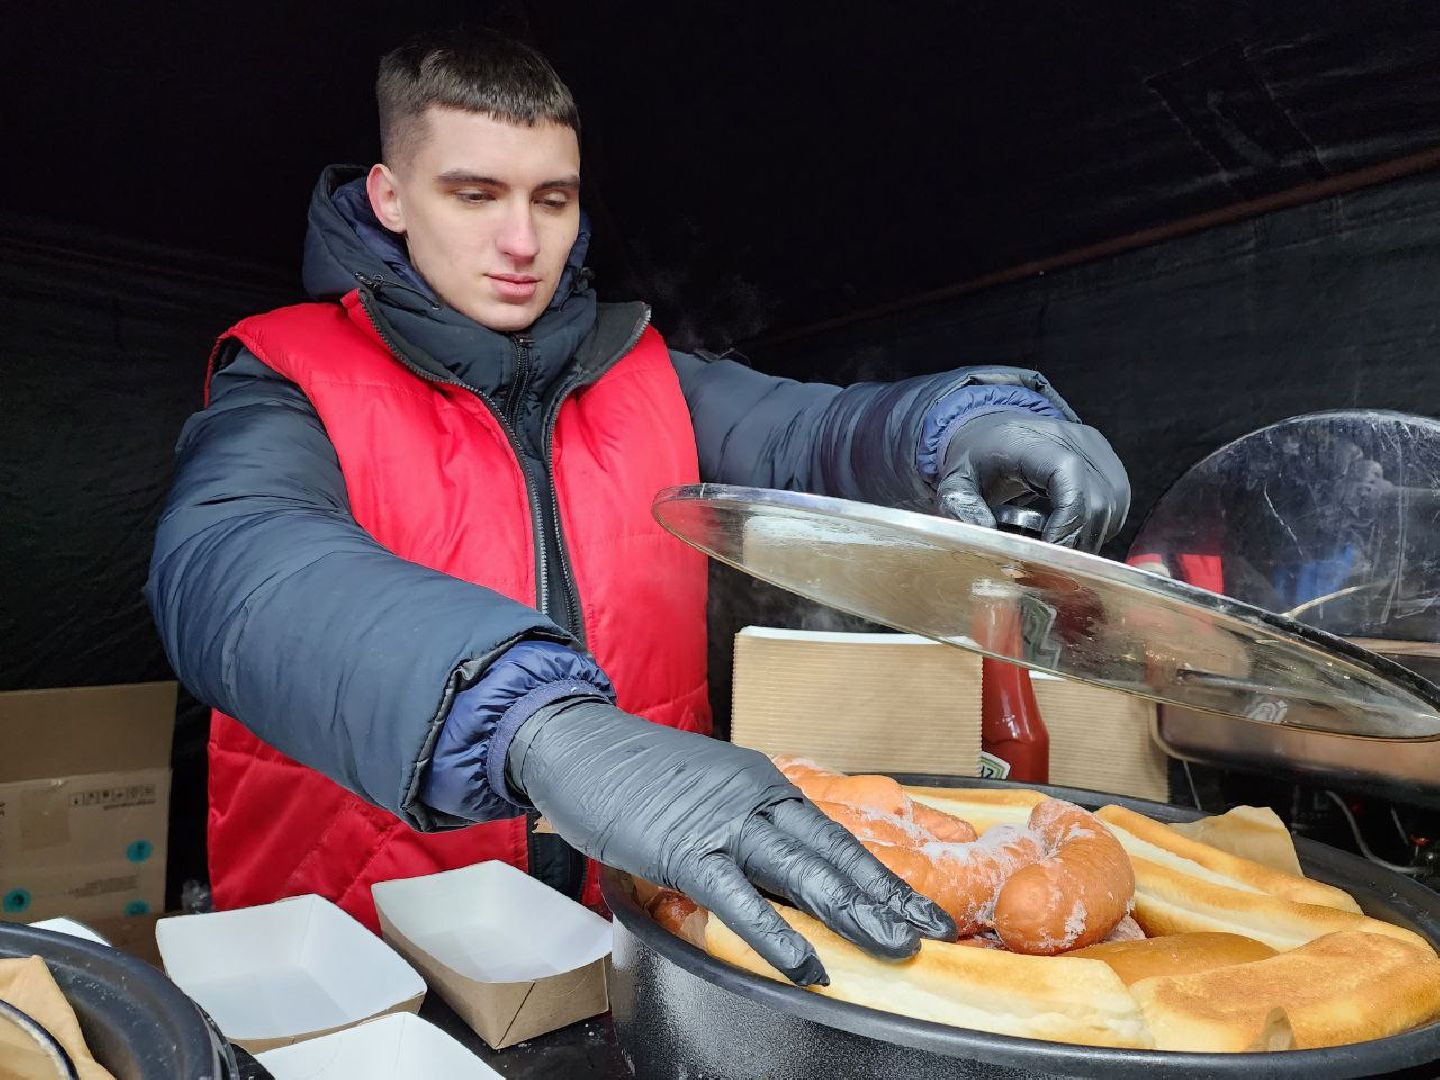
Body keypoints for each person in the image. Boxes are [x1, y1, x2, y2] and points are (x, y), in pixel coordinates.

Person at [146, 28, 1129, 986]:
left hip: (621, 936)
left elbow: (806, 434)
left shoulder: (647, 370)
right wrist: (533, 723)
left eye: (553, 199)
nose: (522, 242)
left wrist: (965, 425)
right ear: (391, 196)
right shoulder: (286, 373)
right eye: (475, 194)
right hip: (358, 957)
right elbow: (233, 562)